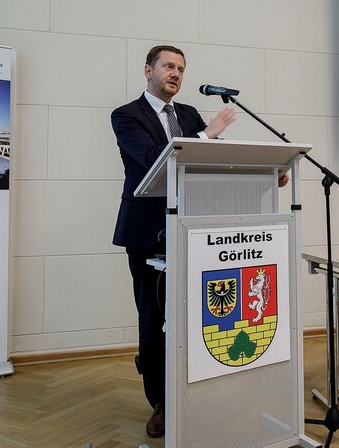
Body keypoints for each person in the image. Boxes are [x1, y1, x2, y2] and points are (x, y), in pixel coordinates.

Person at [111, 44, 236, 438]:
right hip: (148, 233)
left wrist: (267, 174)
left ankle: (191, 390)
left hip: (192, 231)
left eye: (181, 68)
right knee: (154, 321)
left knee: (190, 319)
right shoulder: (127, 115)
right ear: (148, 71)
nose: (176, 73)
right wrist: (208, 133)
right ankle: (161, 403)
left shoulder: (188, 114)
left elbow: (205, 166)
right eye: (168, 66)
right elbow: (151, 156)